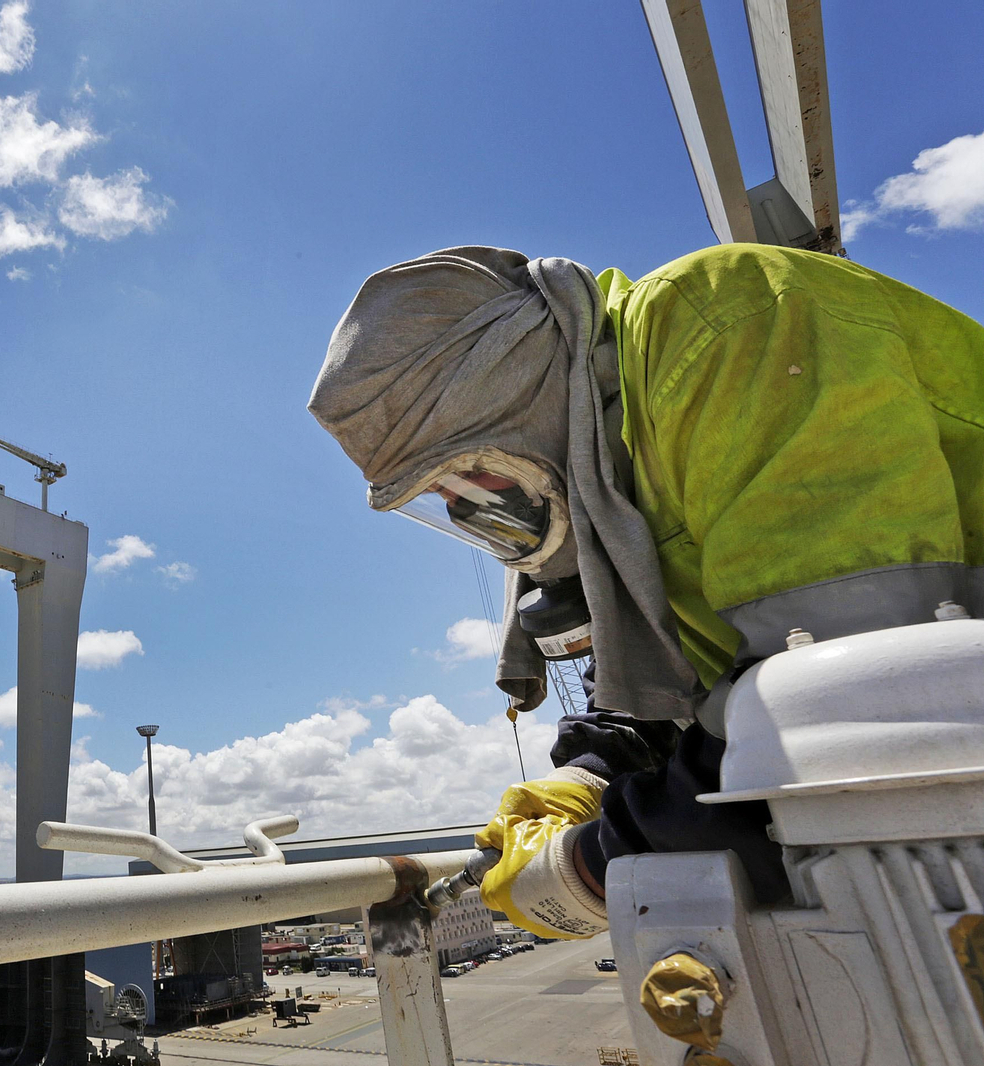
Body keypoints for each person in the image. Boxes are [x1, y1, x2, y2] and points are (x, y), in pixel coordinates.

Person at [308, 243, 984, 939]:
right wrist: (594, 774)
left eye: (476, 483)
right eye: (446, 503)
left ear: (529, 408)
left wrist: (594, 865)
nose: (482, 518)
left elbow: (859, 718)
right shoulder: (619, 477)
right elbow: (682, 677)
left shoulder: (725, 317)